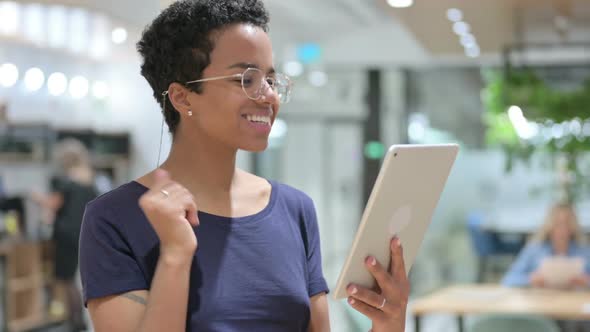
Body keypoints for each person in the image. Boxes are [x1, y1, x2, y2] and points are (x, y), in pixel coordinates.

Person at [78, 1, 410, 331]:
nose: (268, 96)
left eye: (270, 79)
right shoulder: (116, 218)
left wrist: (388, 323)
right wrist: (175, 257)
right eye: (245, 79)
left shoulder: (295, 210)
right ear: (182, 97)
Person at [31, 138, 98, 331]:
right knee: (75, 279)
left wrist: (35, 197)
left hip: (66, 235)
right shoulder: (89, 180)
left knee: (66, 280)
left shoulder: (66, 181)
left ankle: (75, 322)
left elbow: (53, 204)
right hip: (83, 234)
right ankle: (79, 322)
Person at [502, 203, 590, 288]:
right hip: (541, 300)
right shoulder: (534, 250)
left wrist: (586, 281)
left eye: (567, 223)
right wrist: (530, 280)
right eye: (558, 223)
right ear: (549, 224)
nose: (562, 228)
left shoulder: (585, 251)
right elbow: (508, 280)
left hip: (575, 300)